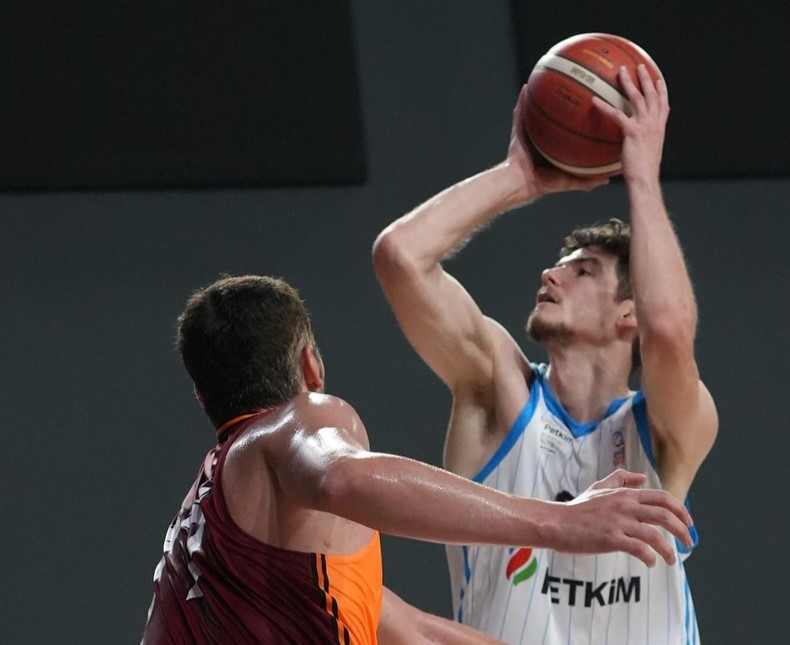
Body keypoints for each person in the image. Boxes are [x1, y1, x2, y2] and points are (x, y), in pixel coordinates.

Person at [141, 274, 693, 644]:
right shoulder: (303, 421)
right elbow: (344, 478)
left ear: (203, 396)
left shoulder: (210, 525)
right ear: (312, 366)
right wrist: (562, 521)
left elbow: (413, 631)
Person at [373, 65, 718, 643]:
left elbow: (667, 328)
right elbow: (399, 255)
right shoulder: (497, 387)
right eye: (558, 266)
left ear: (627, 313)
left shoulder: (670, 428)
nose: (550, 275)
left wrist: (642, 178)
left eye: (582, 271)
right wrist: (519, 178)